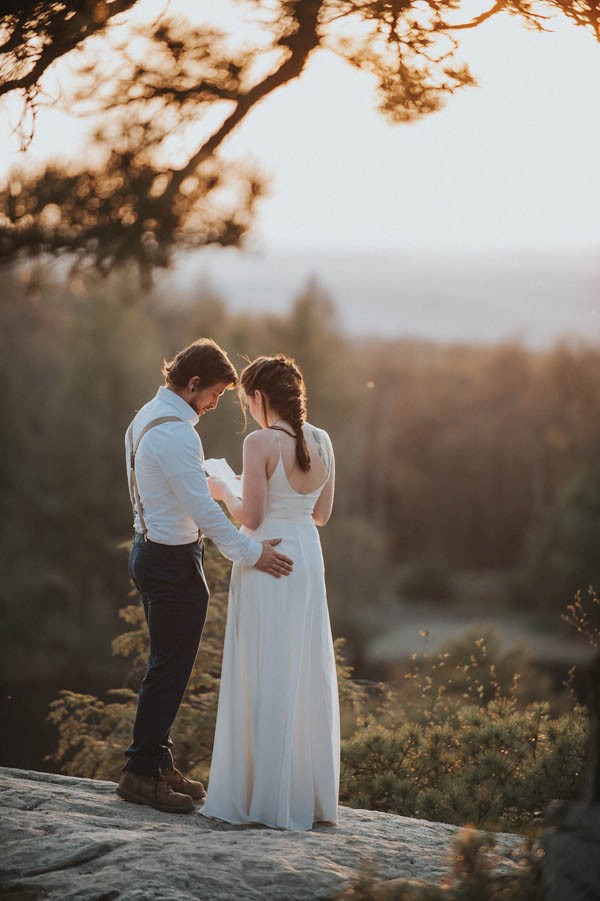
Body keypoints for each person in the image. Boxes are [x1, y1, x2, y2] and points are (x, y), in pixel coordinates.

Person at [117, 339, 294, 815]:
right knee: (169, 669)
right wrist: (250, 553)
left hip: (150, 551)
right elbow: (205, 511)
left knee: (167, 665)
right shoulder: (176, 434)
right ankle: (140, 773)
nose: (217, 404)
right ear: (192, 384)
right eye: (214, 394)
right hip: (170, 563)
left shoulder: (145, 417)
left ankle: (156, 762)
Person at [201, 354, 340, 830]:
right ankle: (303, 795)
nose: (248, 409)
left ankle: (261, 797)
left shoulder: (258, 441)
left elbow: (252, 518)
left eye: (246, 401)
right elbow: (320, 513)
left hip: (268, 560)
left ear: (260, 398)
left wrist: (223, 489)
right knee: (300, 664)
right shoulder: (321, 440)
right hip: (306, 555)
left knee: (264, 664)